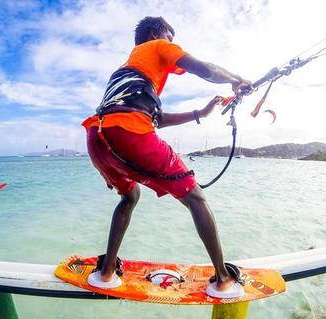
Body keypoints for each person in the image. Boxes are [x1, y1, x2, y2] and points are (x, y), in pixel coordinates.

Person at [81, 16, 251, 297]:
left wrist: (200, 114)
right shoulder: (157, 46)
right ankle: (223, 280)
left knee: (129, 197)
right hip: (128, 134)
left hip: (98, 139)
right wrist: (236, 80)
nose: (171, 43)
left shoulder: (129, 71)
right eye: (170, 37)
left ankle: (106, 272)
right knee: (195, 198)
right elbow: (204, 69)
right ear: (156, 34)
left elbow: (155, 119)